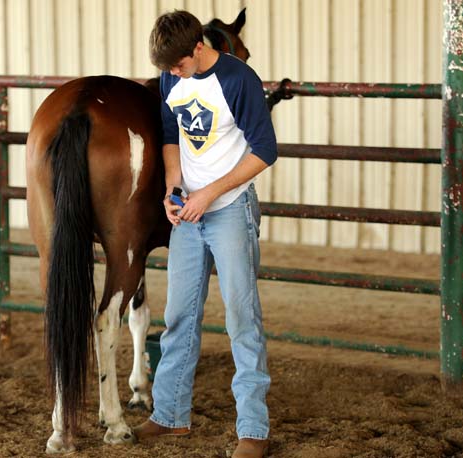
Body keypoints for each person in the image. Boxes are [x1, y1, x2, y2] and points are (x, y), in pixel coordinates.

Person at [134, 10, 277, 458]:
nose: (173, 75)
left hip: (230, 209)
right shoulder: (170, 79)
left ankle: (253, 428)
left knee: (241, 318)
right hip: (189, 213)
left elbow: (265, 151)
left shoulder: (238, 80)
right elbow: (171, 130)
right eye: (167, 70)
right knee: (178, 316)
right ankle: (170, 414)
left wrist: (208, 194)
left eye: (177, 65)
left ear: (198, 48)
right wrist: (173, 186)